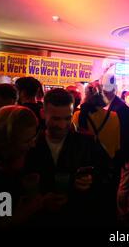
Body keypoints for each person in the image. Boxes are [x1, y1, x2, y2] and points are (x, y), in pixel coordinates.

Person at [25, 88, 114, 226]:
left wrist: (93, 180)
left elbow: (108, 172)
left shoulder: (87, 142)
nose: (62, 125)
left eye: (67, 118)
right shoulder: (30, 144)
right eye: (55, 118)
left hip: (76, 217)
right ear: (43, 114)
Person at [100, 74, 129, 224]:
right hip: (113, 154)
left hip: (117, 155)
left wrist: (125, 157)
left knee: (118, 186)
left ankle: (119, 215)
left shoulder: (119, 108)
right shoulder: (115, 106)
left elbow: (126, 134)